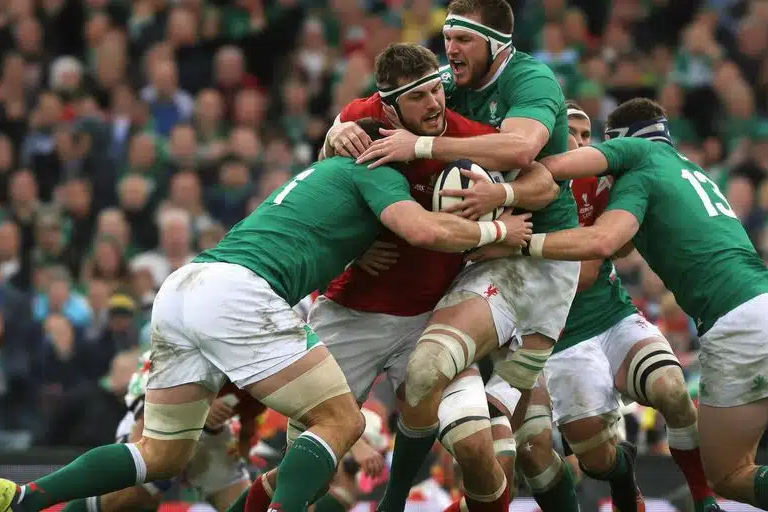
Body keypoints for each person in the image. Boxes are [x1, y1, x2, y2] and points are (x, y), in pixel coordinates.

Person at [0, 118, 533, 512]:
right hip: (240, 295)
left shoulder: (325, 172)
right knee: (342, 422)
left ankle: (32, 497)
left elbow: (341, 215)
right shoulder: (379, 174)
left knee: (161, 454)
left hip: (185, 286)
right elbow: (423, 229)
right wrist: (501, 229)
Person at [474, 98, 768, 512]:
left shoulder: (638, 165)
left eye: (590, 140)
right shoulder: (685, 168)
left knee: (729, 474)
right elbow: (625, 246)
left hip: (741, 320)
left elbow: (602, 240)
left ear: (618, 143)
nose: (587, 151)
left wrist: (514, 211)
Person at [234, 42, 559, 512]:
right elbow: (327, 189)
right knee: (308, 472)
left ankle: (395, 502)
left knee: (474, 444)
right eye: (418, 98)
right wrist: (350, 233)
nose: (434, 104)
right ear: (388, 106)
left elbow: (545, 183)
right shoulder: (360, 120)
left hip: (431, 317)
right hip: (350, 314)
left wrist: (502, 195)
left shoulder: (464, 136)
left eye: (436, 90)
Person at [344, 1, 582, 509]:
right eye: (447, 37)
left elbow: (524, 155)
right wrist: (336, 129)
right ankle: (397, 500)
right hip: (481, 256)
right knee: (494, 444)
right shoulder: (446, 86)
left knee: (533, 446)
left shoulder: (531, 81)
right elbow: (380, 106)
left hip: (531, 262)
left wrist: (427, 151)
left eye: (463, 40)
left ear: (496, 43)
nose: (449, 49)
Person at [478, 101, 722, 512]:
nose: (579, 142)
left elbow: (595, 267)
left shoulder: (603, 182)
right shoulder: (511, 187)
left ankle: (704, 499)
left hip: (612, 317)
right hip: (558, 341)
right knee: (595, 462)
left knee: (672, 388)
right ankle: (622, 472)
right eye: (571, 131)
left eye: (588, 135)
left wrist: (517, 246)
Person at [59, 350, 260, 512]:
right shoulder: (190, 337)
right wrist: (200, 408)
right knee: (130, 496)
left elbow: (249, 423)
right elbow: (142, 391)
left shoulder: (259, 361)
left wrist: (242, 447)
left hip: (215, 438)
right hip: (161, 426)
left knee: (244, 504)